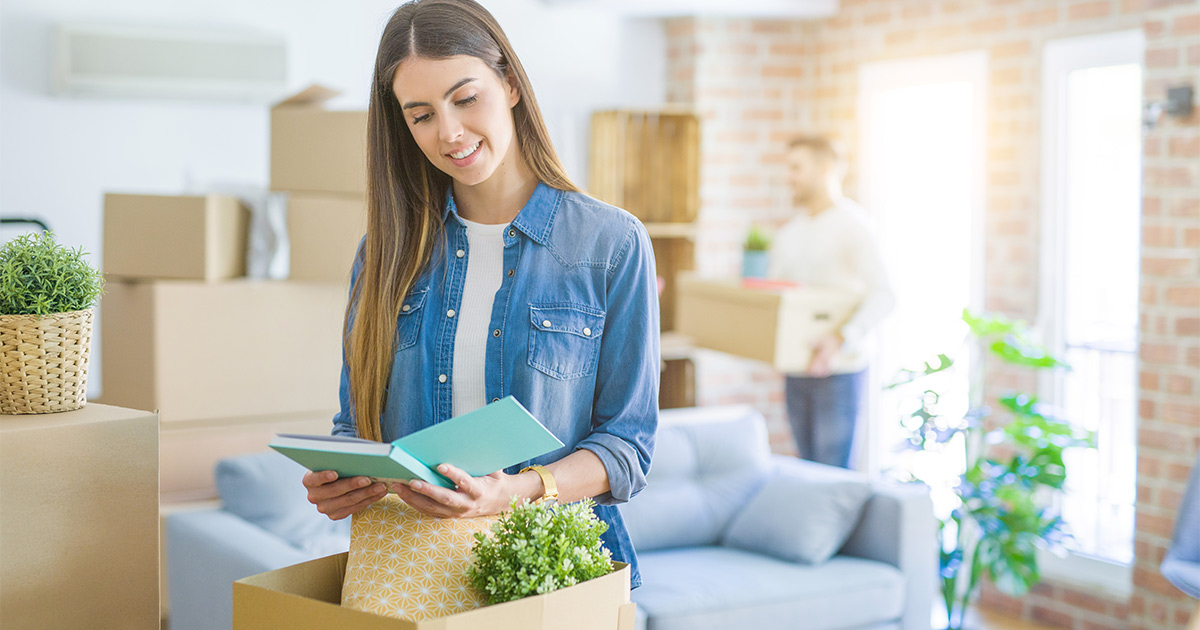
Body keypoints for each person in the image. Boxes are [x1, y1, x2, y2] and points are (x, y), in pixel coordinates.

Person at [301, 0, 659, 588]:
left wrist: (511, 492)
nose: (449, 133)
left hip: (551, 573)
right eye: (420, 115)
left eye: (466, 99)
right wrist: (345, 481)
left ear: (511, 85)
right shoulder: (385, 254)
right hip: (413, 573)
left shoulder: (611, 244)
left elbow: (627, 447)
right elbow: (356, 425)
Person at [769, 136, 894, 469]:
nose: (789, 177)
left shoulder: (854, 225)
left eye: (797, 167)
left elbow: (885, 294)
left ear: (826, 169)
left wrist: (841, 339)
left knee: (835, 475)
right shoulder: (788, 234)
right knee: (808, 469)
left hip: (840, 370)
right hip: (797, 369)